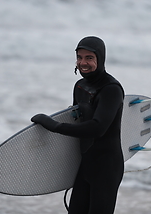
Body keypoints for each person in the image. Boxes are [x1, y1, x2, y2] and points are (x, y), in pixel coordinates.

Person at [31, 36, 124, 214]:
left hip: (107, 167)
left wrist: (55, 126)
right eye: (79, 57)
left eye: (89, 58)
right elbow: (78, 122)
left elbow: (97, 128)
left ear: (100, 58)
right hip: (86, 164)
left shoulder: (111, 89)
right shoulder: (80, 86)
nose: (83, 63)